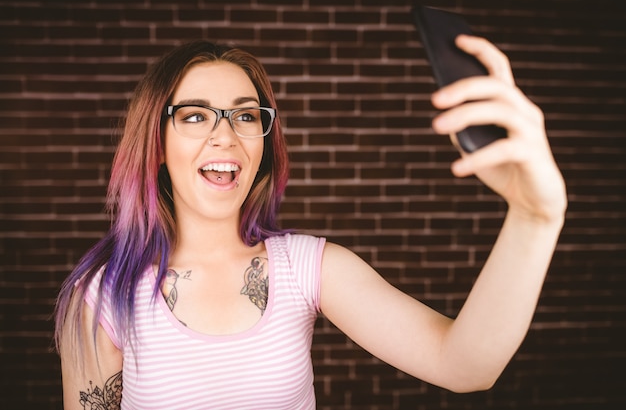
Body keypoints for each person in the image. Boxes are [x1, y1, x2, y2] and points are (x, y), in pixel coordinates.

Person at [54, 34, 567, 409]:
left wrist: (534, 217)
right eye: (194, 115)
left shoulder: (308, 267)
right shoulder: (103, 296)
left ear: (263, 142)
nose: (225, 136)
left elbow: (466, 366)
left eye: (245, 115)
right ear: (157, 144)